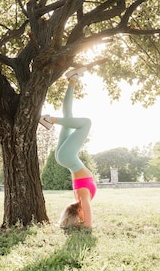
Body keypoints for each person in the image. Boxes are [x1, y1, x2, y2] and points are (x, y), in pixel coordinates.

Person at [39, 67, 96, 229]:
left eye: (82, 214)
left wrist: (86, 224)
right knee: (68, 117)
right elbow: (86, 212)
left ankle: (49, 119)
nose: (85, 211)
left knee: (86, 123)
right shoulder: (81, 197)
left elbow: (88, 221)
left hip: (67, 157)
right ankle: (72, 80)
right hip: (64, 157)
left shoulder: (82, 198)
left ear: (79, 212)